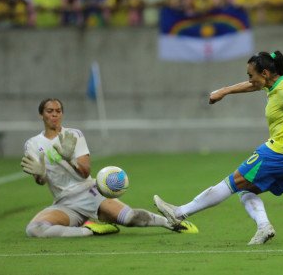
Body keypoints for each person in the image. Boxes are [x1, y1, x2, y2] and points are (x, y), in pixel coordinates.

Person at [153, 50, 283, 245]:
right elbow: (253, 86)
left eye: (251, 75)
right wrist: (224, 91)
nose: (250, 80)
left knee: (231, 183)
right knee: (246, 192)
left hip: (281, 153)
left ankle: (179, 213)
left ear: (265, 73)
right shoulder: (277, 83)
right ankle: (264, 227)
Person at [20, 98, 198, 237]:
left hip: (88, 192)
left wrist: (70, 159)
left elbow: (85, 172)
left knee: (129, 218)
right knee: (35, 229)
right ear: (41, 115)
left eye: (58, 111)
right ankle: (91, 231)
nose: (54, 115)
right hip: (64, 202)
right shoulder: (33, 144)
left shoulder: (73, 135)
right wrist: (41, 174)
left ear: (62, 114)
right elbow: (40, 180)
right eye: (49, 111)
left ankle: (170, 222)